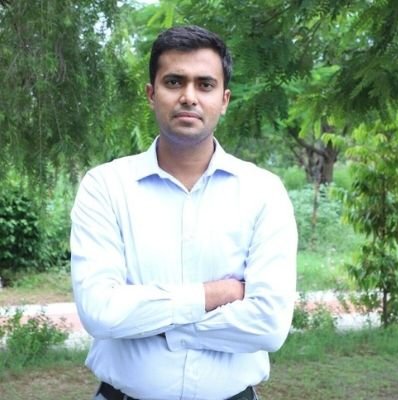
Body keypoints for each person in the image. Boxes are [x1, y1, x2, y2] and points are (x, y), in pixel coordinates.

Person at [70, 25, 297, 400]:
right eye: (174, 82)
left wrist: (160, 325)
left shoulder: (263, 192)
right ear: (151, 94)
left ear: (224, 99)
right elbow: (101, 312)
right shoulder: (106, 187)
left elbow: (269, 325)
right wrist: (215, 294)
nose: (189, 97)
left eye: (205, 85)